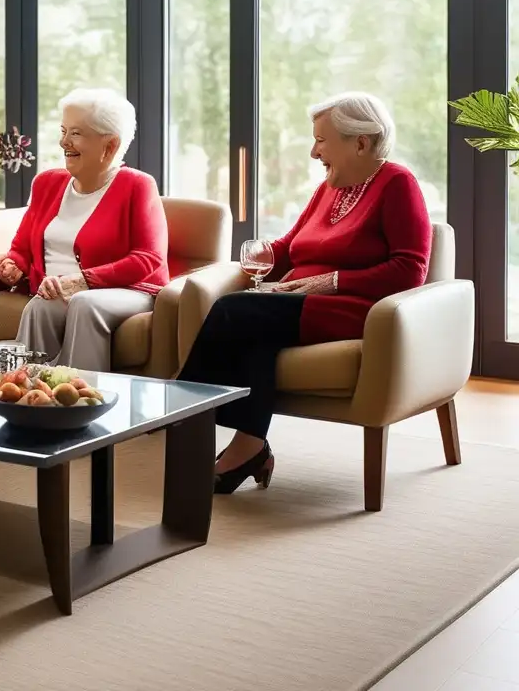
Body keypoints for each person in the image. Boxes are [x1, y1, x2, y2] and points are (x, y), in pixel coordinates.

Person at [177, 91, 433, 494]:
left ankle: (181, 417)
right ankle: (249, 448)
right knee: (255, 338)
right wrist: (253, 259)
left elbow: (410, 269)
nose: (314, 153)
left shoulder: (397, 184)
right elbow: (291, 246)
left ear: (360, 143)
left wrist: (327, 282)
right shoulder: (331, 186)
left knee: (231, 311)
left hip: (354, 310)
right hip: (298, 303)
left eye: (321, 140)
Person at [0, 87, 169, 371]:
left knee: (84, 305)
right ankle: (25, 395)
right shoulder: (46, 183)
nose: (64, 142)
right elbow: (22, 247)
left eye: (75, 133)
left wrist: (81, 281)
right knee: (40, 306)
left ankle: (82, 398)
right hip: (57, 290)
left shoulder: (138, 185)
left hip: (128, 291)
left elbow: (148, 259)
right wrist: (14, 264)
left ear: (110, 146)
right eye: (63, 131)